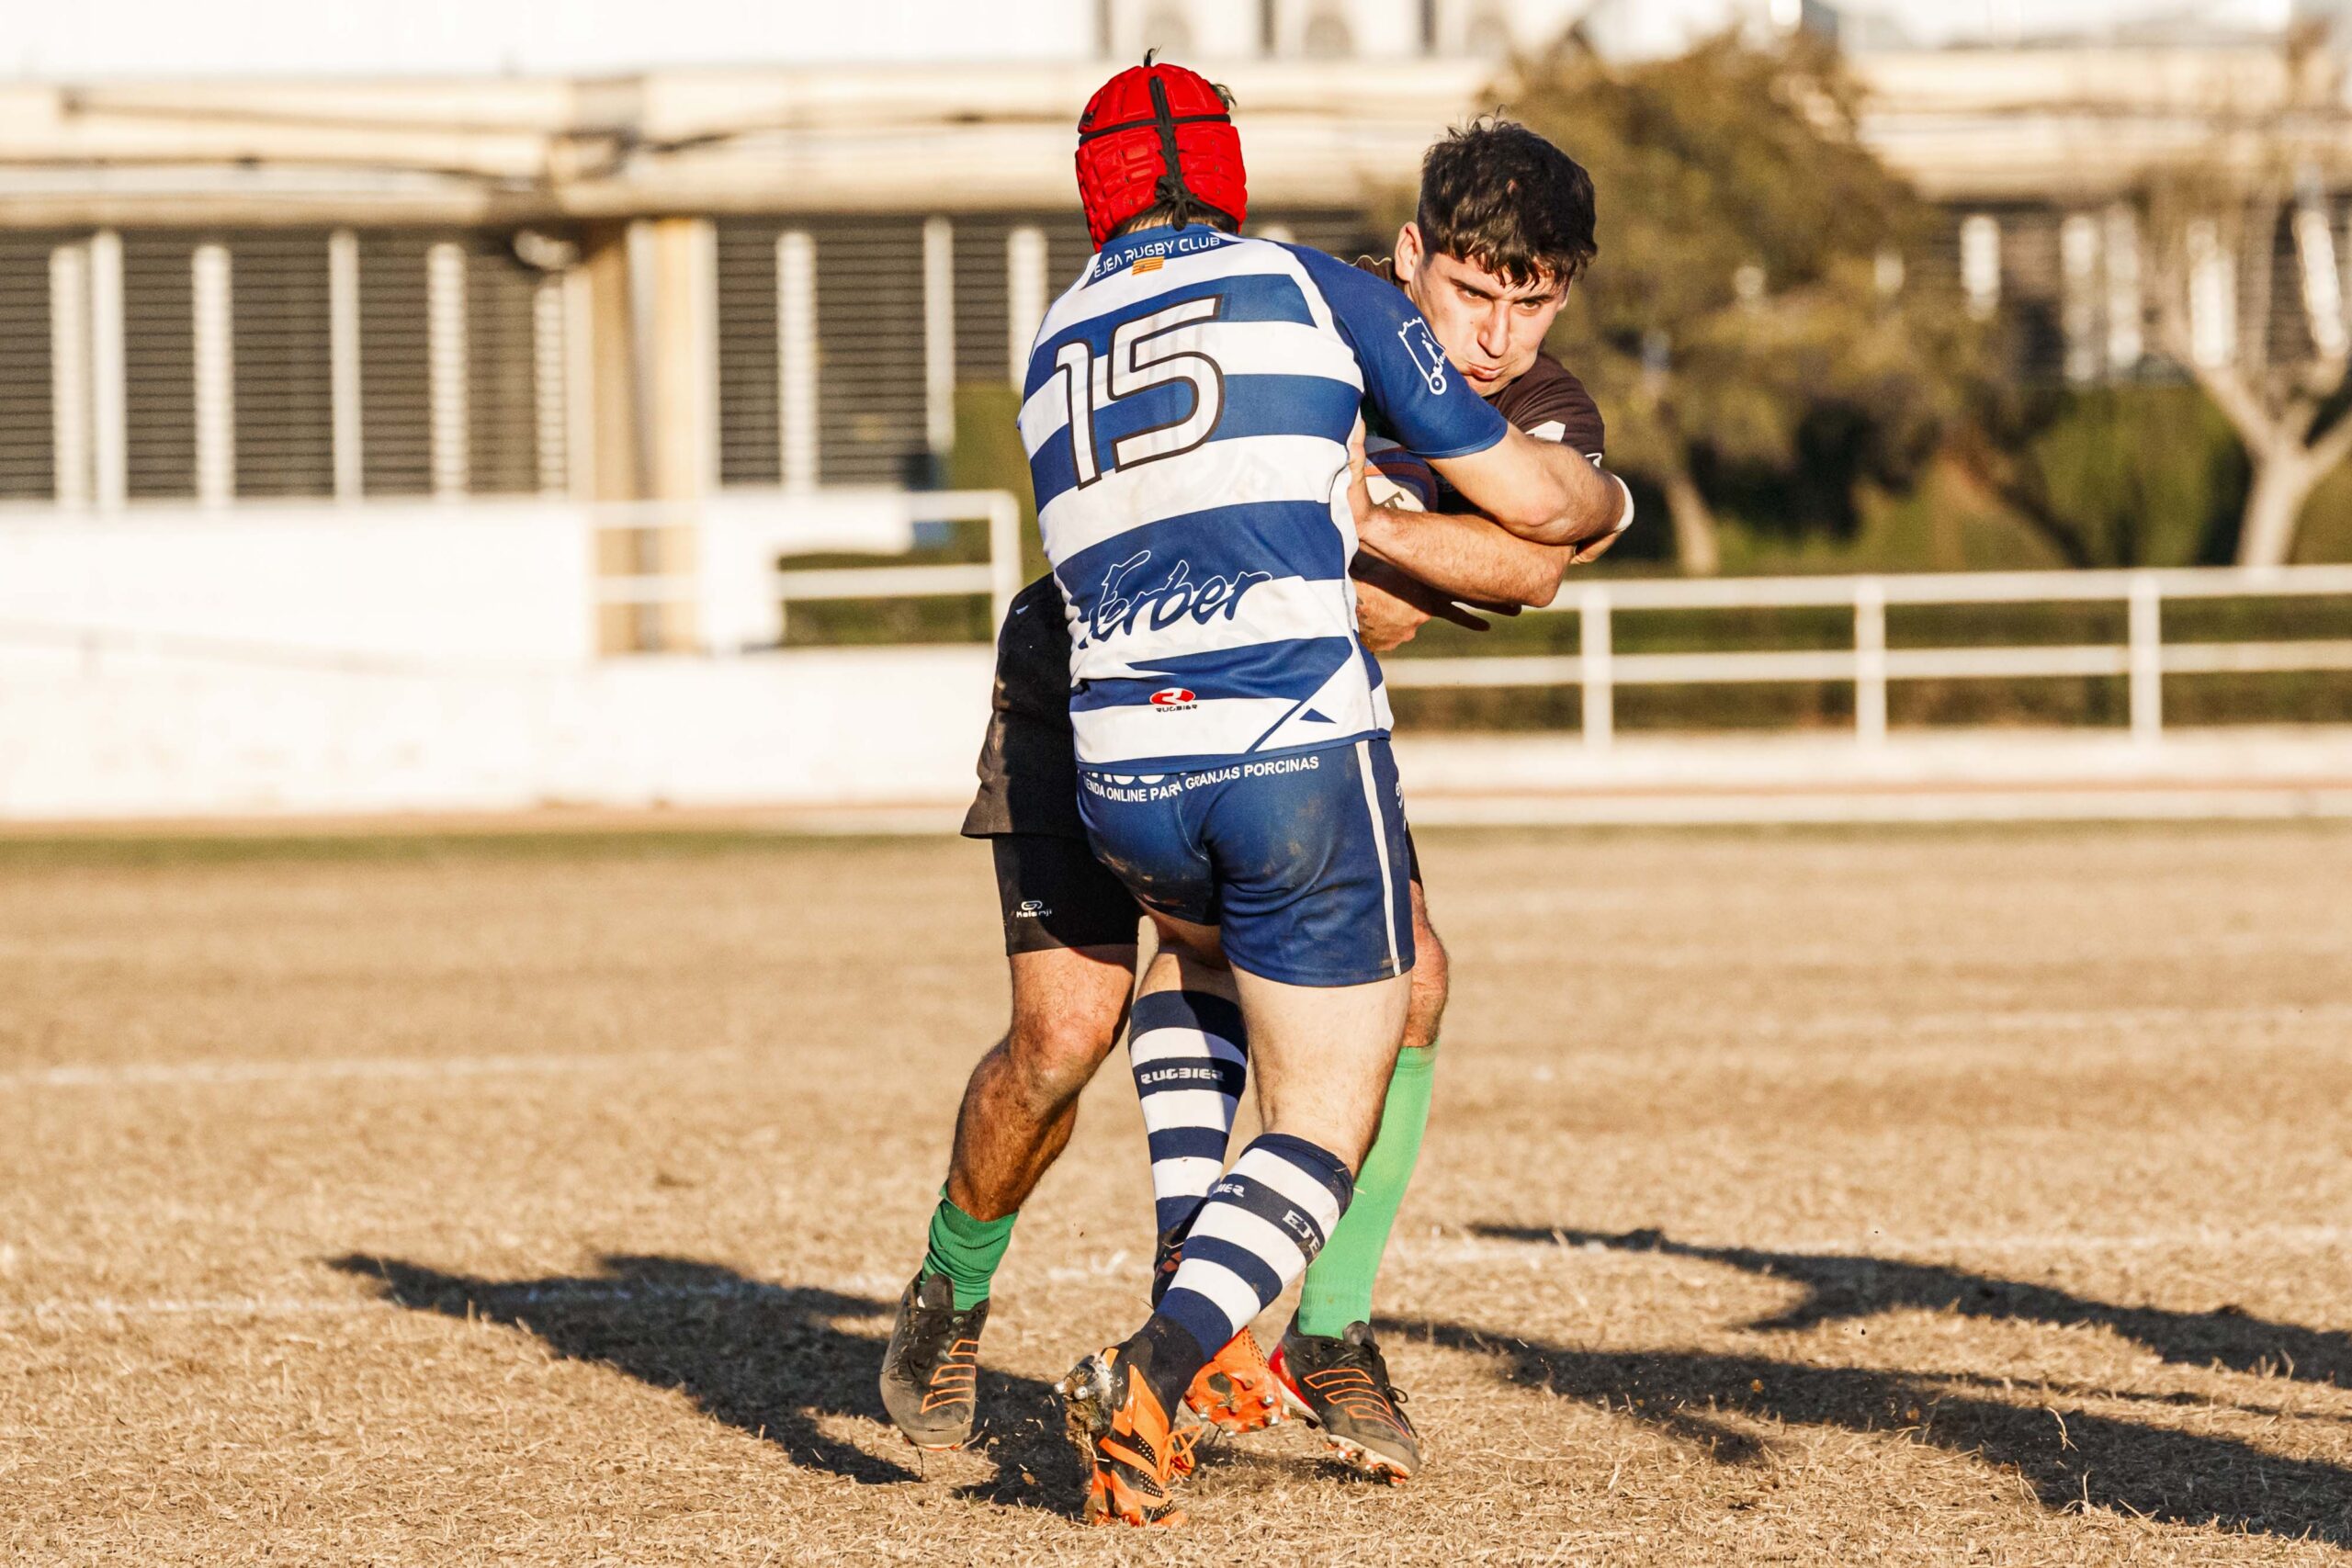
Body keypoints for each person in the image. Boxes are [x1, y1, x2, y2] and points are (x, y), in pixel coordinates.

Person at [877, 89, 1627, 1509]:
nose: (1495, 338)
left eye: (1532, 307)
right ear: (1408, 259)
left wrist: (1355, 526)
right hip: (1100, 677)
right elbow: (1496, 554)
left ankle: (1318, 1331)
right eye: (1470, 295)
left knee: (1410, 976)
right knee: (1060, 1037)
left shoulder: (1523, 393)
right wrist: (1387, 538)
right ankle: (975, 1285)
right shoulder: (1322, 303)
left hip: (1213, 697)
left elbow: (1524, 561)